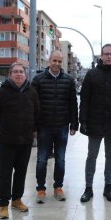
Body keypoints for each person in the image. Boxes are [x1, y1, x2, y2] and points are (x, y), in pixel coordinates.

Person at [79, 43, 111, 202]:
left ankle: (108, 188)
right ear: (101, 56)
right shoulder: (91, 74)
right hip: (94, 123)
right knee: (92, 156)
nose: (109, 56)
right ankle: (88, 188)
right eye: (106, 54)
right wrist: (83, 121)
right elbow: (84, 100)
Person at [0, 62, 40, 219]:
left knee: (21, 172)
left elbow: (37, 113)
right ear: (10, 75)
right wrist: (4, 126)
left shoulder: (31, 92)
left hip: (25, 140)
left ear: (25, 75)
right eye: (16, 72)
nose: (19, 74)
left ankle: (17, 200)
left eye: (21, 72)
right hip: (7, 140)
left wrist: (33, 129)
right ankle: (3, 204)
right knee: (5, 173)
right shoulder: (2, 93)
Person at [32, 50, 78, 203]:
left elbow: (73, 104)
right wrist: (33, 127)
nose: (57, 64)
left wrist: (74, 124)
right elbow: (32, 105)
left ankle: (58, 187)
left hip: (62, 126)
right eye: (54, 61)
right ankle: (40, 189)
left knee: (60, 160)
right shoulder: (38, 80)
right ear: (49, 61)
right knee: (42, 160)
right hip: (43, 127)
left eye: (59, 61)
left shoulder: (69, 80)